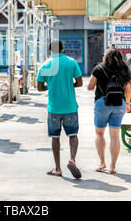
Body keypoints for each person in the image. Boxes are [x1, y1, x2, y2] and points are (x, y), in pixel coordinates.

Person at [37, 39, 83, 179]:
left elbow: (39, 87)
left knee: (55, 138)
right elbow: (79, 83)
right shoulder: (72, 62)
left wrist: (49, 87)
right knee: (73, 135)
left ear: (50, 50)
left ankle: (57, 168)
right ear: (63, 49)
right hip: (70, 106)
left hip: (54, 108)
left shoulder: (45, 65)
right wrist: (69, 86)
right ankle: (72, 159)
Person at [87, 48, 131, 174]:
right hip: (119, 103)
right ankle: (112, 166)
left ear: (105, 57)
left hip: (102, 103)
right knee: (115, 136)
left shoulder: (98, 69)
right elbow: (128, 91)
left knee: (100, 133)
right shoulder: (124, 70)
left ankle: (102, 163)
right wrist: (127, 103)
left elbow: (90, 87)